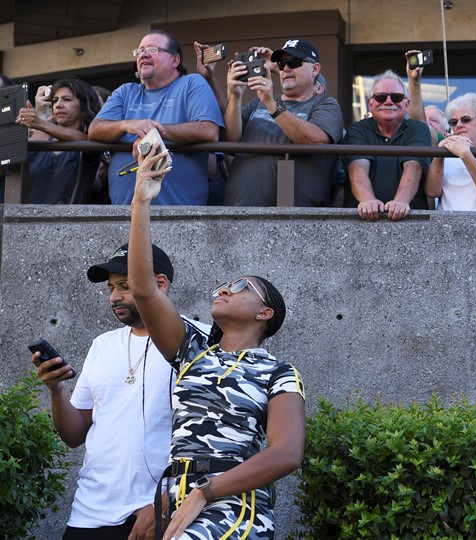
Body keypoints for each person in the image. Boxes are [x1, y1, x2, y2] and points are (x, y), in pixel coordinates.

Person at [128, 145, 305, 540]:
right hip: (176, 497)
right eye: (222, 285)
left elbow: (287, 453)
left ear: (265, 313)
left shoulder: (279, 372)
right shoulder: (193, 352)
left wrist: (205, 493)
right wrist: (141, 198)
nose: (224, 290)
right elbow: (143, 290)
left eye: (241, 287)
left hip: (233, 503)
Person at [30, 243, 194, 539]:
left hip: (162, 513)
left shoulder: (198, 342)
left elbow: (221, 441)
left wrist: (169, 501)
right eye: (110, 288)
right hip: (90, 514)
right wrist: (56, 391)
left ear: (159, 284)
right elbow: (75, 434)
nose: (114, 297)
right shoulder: (102, 344)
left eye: (125, 286)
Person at [88, 30, 223, 206]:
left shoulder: (192, 83)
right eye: (139, 51)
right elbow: (94, 130)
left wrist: (153, 133)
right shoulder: (125, 91)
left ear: (175, 60)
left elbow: (209, 130)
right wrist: (128, 125)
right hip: (123, 212)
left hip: (179, 214)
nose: (143, 54)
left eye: (152, 49)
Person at [224, 38, 343, 207]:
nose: (286, 68)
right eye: (281, 64)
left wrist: (272, 104)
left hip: (294, 218)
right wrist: (235, 97)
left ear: (315, 69)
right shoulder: (257, 102)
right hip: (239, 207)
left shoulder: (325, 104)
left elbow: (314, 139)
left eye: (294, 62)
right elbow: (229, 141)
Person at [343, 70, 431, 221]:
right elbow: (357, 168)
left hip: (409, 221)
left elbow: (414, 167)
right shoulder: (357, 129)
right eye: (381, 97)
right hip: (361, 221)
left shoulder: (418, 128)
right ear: (370, 104)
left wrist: (401, 201)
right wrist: (367, 200)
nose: (388, 101)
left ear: (407, 104)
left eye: (396, 97)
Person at [17, 78, 102, 203]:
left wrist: (40, 122)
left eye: (66, 99)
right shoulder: (39, 141)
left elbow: (86, 141)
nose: (58, 105)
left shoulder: (88, 142)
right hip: (27, 220)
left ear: (84, 109)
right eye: (55, 100)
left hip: (69, 221)